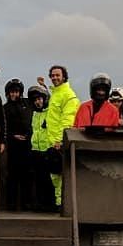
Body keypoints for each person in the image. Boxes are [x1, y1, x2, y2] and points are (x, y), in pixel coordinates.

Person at [41, 64, 79, 210]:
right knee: (54, 175)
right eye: (53, 75)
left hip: (59, 143)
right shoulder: (56, 94)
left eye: (58, 75)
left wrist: (60, 140)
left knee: (59, 176)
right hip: (51, 142)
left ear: (64, 77)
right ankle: (58, 204)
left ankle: (61, 205)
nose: (55, 78)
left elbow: (67, 120)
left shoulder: (68, 95)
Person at [1, 78, 32, 211]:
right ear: (8, 93)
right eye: (12, 92)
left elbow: (32, 122)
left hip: (27, 145)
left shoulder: (27, 104)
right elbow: (3, 126)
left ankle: (27, 203)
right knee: (12, 175)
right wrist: (13, 136)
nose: (14, 95)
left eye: (16, 92)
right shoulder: (4, 108)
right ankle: (11, 204)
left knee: (27, 175)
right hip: (12, 145)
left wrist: (27, 136)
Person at [26, 85, 52, 210]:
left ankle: (50, 205)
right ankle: (40, 204)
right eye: (35, 100)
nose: (38, 102)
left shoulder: (50, 112)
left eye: (40, 99)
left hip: (47, 150)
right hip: (35, 150)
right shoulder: (35, 114)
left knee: (49, 180)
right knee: (38, 180)